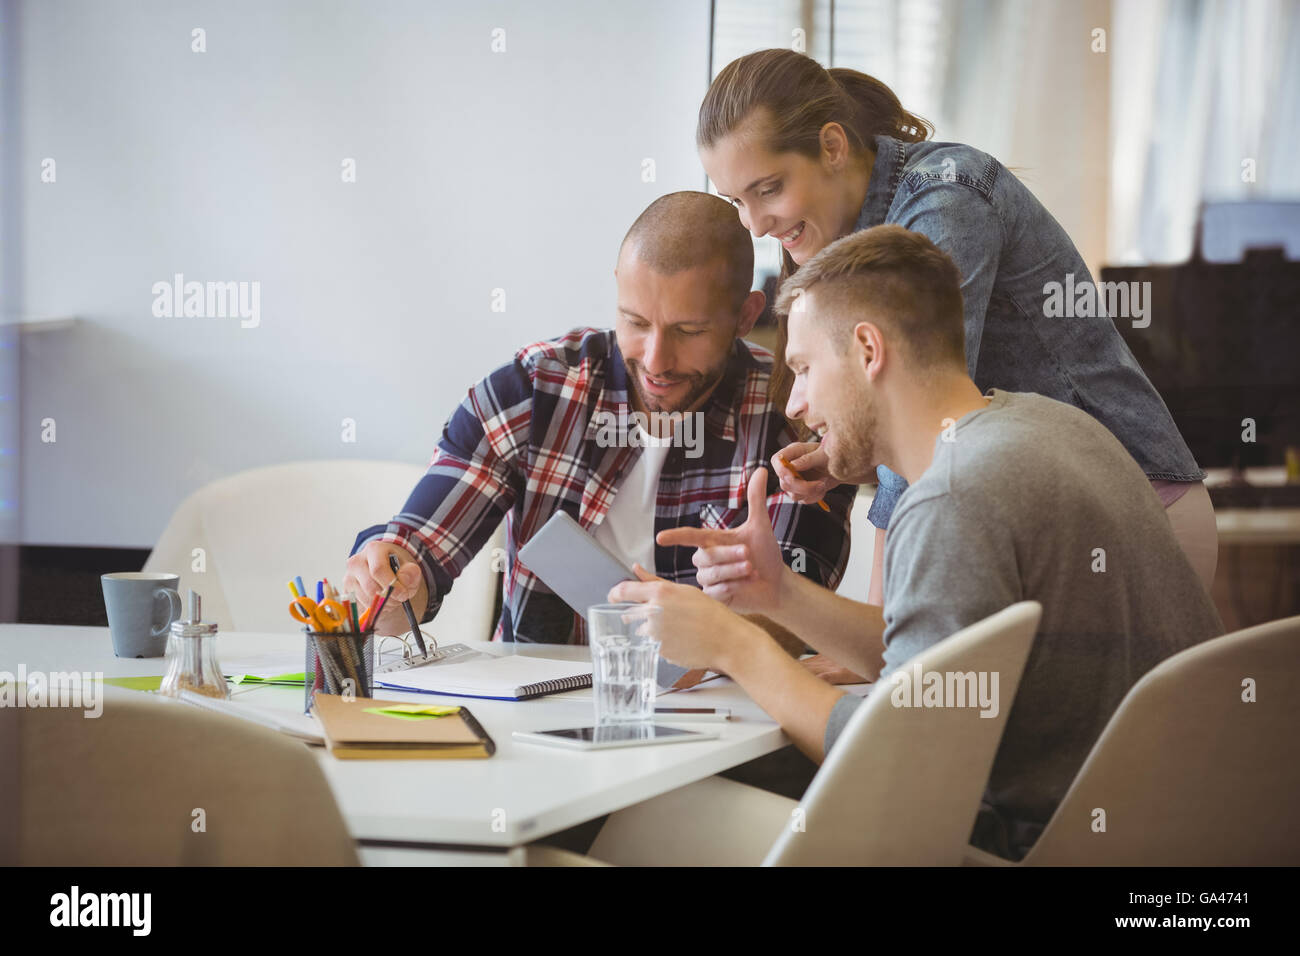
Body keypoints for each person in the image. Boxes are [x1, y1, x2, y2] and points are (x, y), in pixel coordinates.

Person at [609, 225, 1224, 861]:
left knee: (639, 818)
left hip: (1035, 848)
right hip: (1179, 848)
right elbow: (942, 672)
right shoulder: (1053, 427)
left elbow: (900, 772)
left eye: (804, 368)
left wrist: (734, 645)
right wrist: (778, 593)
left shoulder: (955, 496)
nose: (795, 401)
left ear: (868, 350)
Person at [695, 49, 1217, 638]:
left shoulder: (948, 197)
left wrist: (879, 629)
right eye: (738, 200)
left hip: (1136, 510)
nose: (756, 225)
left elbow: (924, 413)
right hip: (1044, 518)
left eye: (768, 189)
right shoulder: (837, 233)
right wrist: (847, 459)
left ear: (833, 147)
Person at [341, 191, 852, 650]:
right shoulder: (532, 392)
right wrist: (389, 581)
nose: (656, 360)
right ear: (617, 289)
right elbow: (418, 549)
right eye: (635, 322)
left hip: (731, 716)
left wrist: (714, 635)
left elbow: (806, 616)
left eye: (689, 331)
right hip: (540, 717)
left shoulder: (794, 412)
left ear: (745, 316)